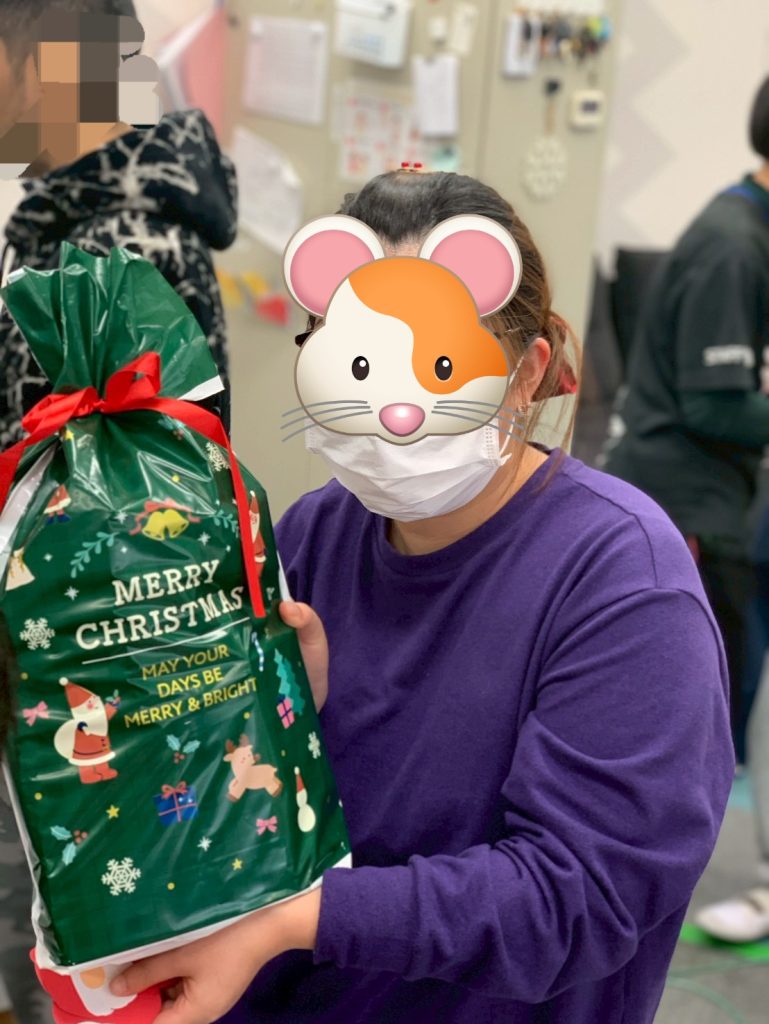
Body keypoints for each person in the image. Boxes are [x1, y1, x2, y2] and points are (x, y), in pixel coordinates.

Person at [101, 170, 734, 1024]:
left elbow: (578, 897)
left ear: (525, 373)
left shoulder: (622, 578)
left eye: (436, 363)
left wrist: (298, 921)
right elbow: (243, 804)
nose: (392, 408)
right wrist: (277, 718)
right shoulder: (314, 531)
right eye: (357, 362)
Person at [0, 3, 237, 1020]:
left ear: (49, 64)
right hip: (52, 652)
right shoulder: (63, 218)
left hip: (91, 674)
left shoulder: (125, 239)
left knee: (73, 951)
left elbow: (140, 509)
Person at [602, 76, 769, 766]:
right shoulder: (732, 246)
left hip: (713, 498)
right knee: (689, 730)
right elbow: (712, 402)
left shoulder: (749, 230)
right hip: (685, 506)